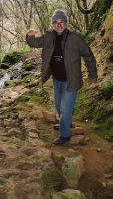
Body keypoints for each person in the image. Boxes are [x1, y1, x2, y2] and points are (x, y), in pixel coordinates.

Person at [26, 9, 97, 145]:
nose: (59, 24)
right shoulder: (49, 36)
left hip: (72, 80)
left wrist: (92, 74)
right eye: (56, 22)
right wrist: (30, 37)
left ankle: (64, 135)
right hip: (57, 79)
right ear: (53, 24)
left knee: (65, 108)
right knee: (59, 105)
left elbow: (88, 56)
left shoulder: (76, 38)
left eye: (62, 21)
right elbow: (35, 43)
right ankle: (66, 123)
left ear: (66, 22)